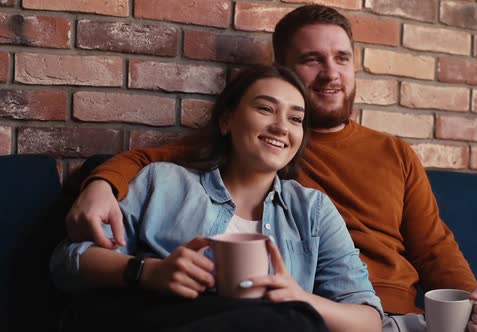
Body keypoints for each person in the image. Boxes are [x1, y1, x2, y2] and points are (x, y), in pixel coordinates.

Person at [64, 5, 477, 332]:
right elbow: (157, 161)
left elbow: (433, 248)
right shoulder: (237, 155)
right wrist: (101, 182)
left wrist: (473, 303)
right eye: (312, 60)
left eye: (342, 58)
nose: (331, 73)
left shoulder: (386, 158)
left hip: (379, 318)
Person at [51, 65, 383, 332]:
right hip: (158, 316)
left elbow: (368, 319)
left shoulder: (313, 210)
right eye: (266, 108)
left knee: (294, 319)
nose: (282, 127)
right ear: (226, 120)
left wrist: (298, 297)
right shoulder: (162, 181)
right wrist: (148, 272)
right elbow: (69, 262)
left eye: (296, 118)